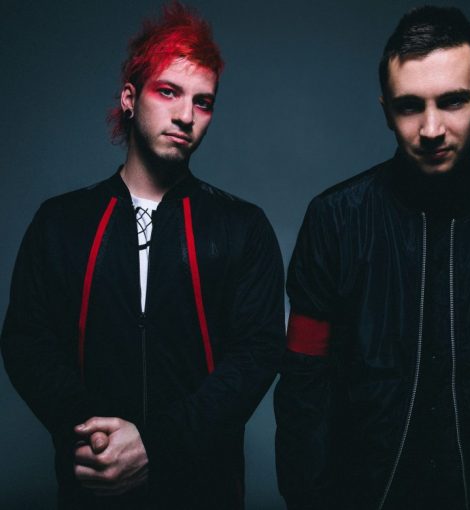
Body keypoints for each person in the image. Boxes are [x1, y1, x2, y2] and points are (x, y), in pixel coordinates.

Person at [1, 3, 284, 509]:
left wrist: (157, 445)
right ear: (130, 98)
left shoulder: (243, 227)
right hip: (93, 485)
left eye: (203, 102)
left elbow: (257, 354)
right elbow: (26, 340)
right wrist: (91, 434)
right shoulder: (60, 221)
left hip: (205, 493)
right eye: (168, 91)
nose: (185, 116)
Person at [275, 6, 470, 510]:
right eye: (409, 106)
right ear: (386, 111)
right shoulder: (335, 220)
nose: (431, 128)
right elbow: (303, 387)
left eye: (453, 101)